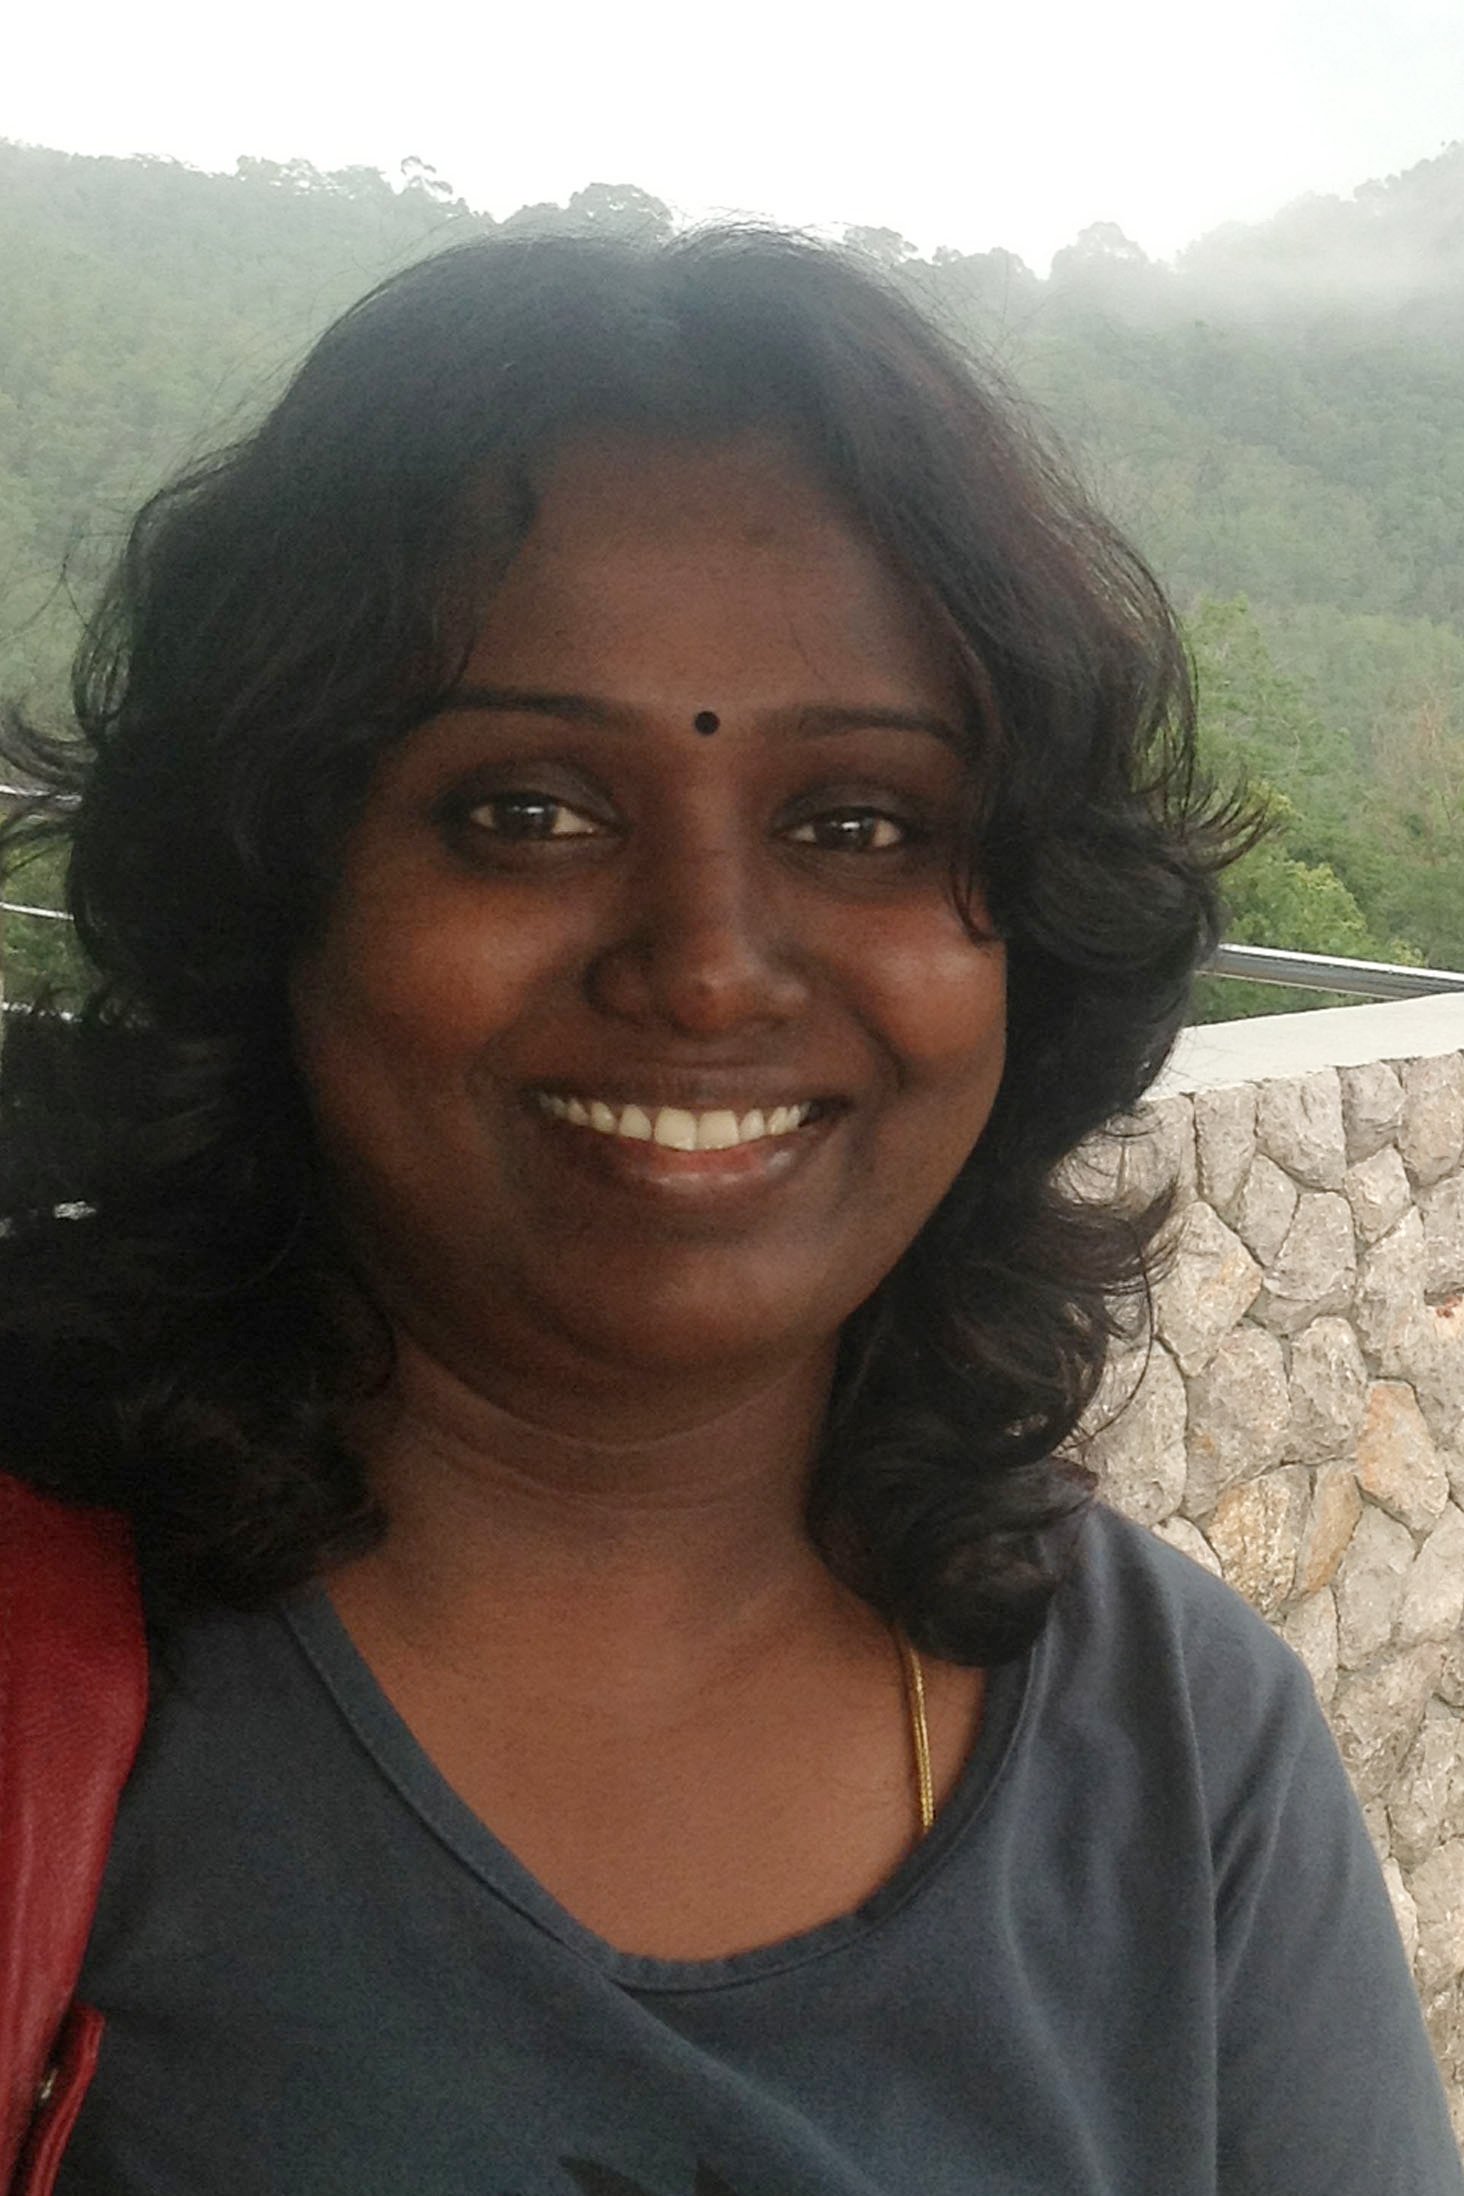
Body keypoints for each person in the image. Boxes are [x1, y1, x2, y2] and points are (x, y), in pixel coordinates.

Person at [0, 226, 1457, 2196]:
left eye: (859, 823)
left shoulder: (1182, 1754)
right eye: (528, 810)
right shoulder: (49, 1679)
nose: (705, 969)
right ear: (274, 885)